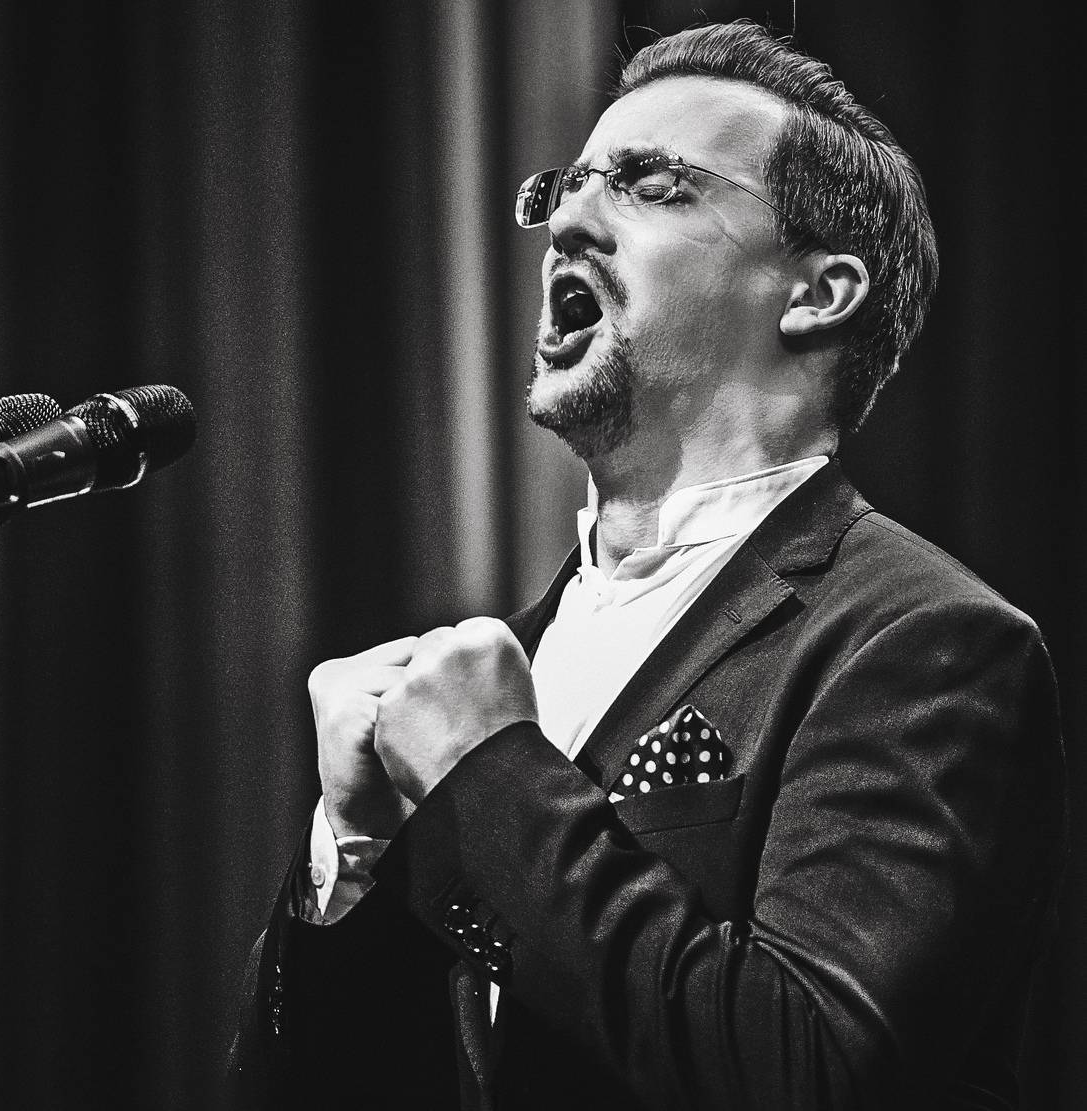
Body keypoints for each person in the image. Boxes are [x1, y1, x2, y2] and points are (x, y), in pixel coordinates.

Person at [230, 21, 1065, 1109]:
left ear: (817, 292)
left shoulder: (927, 642)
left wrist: (490, 773)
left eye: (652, 186)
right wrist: (355, 855)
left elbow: (806, 1068)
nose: (567, 220)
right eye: (567, 186)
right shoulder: (503, 664)